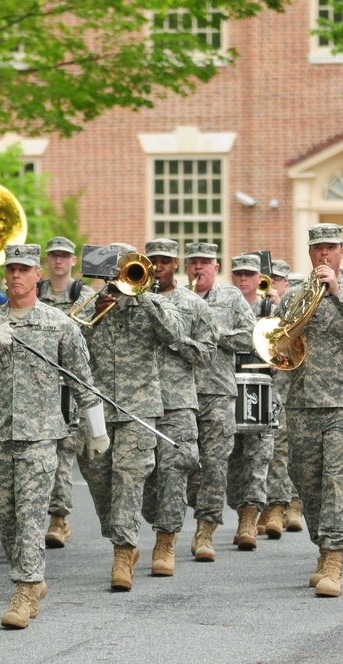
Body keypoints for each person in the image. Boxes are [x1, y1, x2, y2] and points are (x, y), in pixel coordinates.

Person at [0, 244, 104, 629]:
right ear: (5, 275)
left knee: (32, 517)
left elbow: (83, 380)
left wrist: (98, 431)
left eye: (24, 269)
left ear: (38, 274)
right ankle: (32, 579)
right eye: (11, 270)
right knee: (5, 515)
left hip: (40, 438)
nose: (17, 276)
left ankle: (24, 590)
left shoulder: (59, 324)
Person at [279, 224, 343, 598]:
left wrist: (336, 294)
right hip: (303, 403)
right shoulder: (292, 296)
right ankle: (323, 549)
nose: (323, 254)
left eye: (330, 248)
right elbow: (281, 342)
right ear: (309, 253)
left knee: (339, 481)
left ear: (341, 251)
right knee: (309, 484)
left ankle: (335, 561)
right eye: (317, 248)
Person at [79, 241, 183, 590]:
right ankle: (120, 535)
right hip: (97, 408)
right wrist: (95, 311)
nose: (118, 275)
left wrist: (141, 297)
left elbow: (175, 335)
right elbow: (70, 348)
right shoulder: (92, 304)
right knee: (99, 478)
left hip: (139, 408)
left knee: (129, 476)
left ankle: (123, 552)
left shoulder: (153, 304)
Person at [141, 238, 217, 575]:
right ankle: (153, 524)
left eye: (165, 261)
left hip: (177, 402)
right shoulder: (132, 301)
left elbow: (207, 353)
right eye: (152, 260)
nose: (158, 266)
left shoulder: (194, 305)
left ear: (176, 264)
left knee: (173, 474)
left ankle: (165, 543)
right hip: (138, 402)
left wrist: (175, 339)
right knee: (143, 482)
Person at [184, 242, 255, 562]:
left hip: (218, 392)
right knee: (185, 465)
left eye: (205, 263)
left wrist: (215, 333)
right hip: (179, 394)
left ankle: (205, 531)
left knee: (214, 464)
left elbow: (251, 338)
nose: (198, 268)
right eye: (193, 263)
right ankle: (186, 514)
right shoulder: (176, 298)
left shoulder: (231, 298)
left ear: (216, 267)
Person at [37, 236, 94, 548]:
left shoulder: (83, 294)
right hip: (38, 384)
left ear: (73, 261)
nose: (59, 261)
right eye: (54, 256)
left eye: (65, 256)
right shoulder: (35, 293)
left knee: (63, 449)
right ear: (47, 260)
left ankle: (58, 518)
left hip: (67, 384)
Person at [226, 253, 275, 550]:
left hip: (262, 388)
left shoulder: (270, 307)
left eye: (249, 274)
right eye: (239, 274)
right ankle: (239, 508)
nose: (244, 279)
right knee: (232, 460)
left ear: (259, 279)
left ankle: (249, 520)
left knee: (258, 457)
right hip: (228, 386)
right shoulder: (224, 306)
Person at [259, 258, 303, 537]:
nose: (271, 284)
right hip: (267, 386)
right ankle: (269, 505)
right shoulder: (257, 306)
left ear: (286, 284)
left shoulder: (297, 307)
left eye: (276, 280)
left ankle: (294, 505)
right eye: (268, 279)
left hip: (292, 387)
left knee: (292, 446)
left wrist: (279, 307)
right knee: (268, 447)